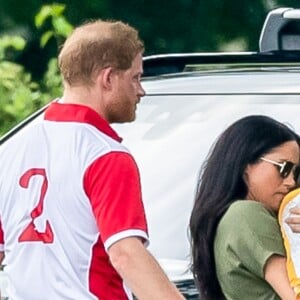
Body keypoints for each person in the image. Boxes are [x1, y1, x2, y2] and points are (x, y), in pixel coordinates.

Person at [0, 20, 184, 299]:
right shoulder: (105, 154)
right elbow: (125, 254)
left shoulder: (10, 149)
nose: (141, 90)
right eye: (135, 77)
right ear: (108, 78)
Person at [189, 115, 300, 300]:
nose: (290, 182)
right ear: (246, 164)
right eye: (283, 168)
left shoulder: (231, 218)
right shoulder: (246, 215)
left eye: (296, 173)